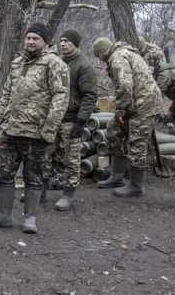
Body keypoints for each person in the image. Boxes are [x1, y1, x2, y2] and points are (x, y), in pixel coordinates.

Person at [0, 23, 69, 234]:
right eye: (28, 38)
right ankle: (3, 215)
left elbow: (61, 98)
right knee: (3, 174)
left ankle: (29, 218)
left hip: (36, 133)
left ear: (45, 41)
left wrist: (49, 128)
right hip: (11, 130)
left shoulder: (54, 64)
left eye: (36, 38)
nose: (31, 41)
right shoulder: (17, 63)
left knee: (34, 176)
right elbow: (6, 94)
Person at [92, 37, 163, 197]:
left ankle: (136, 186)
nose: (99, 60)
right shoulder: (121, 54)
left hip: (144, 105)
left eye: (98, 56)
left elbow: (124, 86)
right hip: (134, 104)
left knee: (137, 142)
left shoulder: (118, 57)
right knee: (113, 132)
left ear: (103, 51)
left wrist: (119, 112)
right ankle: (117, 176)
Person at [51, 28, 98, 211]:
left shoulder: (84, 66)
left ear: (76, 43)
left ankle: (68, 194)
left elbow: (89, 96)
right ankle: (39, 190)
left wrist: (80, 122)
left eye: (67, 41)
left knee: (72, 158)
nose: (63, 44)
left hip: (72, 119)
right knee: (46, 155)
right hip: (54, 117)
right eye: (61, 40)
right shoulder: (58, 62)